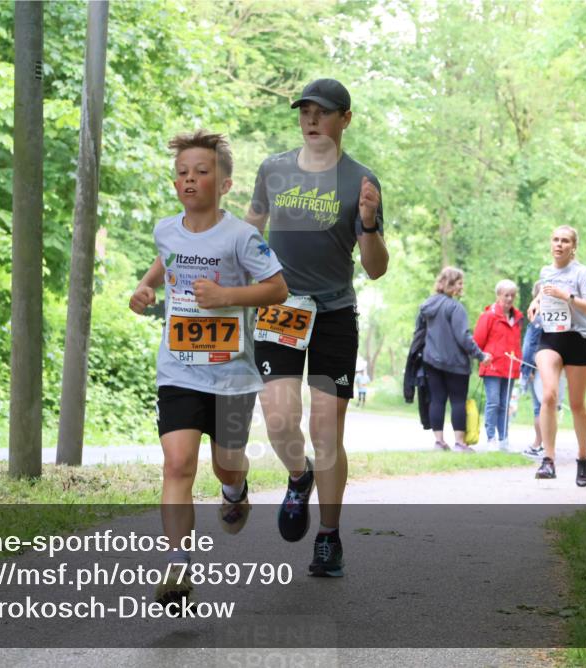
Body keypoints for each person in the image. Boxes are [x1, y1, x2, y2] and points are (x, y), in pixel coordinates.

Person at [129, 130, 288, 605]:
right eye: (182, 173)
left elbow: (277, 288)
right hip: (178, 368)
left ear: (224, 183)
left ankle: (236, 489)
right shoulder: (165, 228)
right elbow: (167, 258)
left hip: (232, 373)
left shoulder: (242, 236)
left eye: (201, 172)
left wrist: (227, 297)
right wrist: (145, 287)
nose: (190, 180)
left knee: (224, 464)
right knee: (177, 464)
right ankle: (177, 568)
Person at [245, 78, 389, 577]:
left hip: (332, 315)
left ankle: (328, 537)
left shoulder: (361, 182)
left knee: (327, 429)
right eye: (305, 111)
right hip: (279, 308)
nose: (311, 120)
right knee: (280, 420)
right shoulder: (274, 169)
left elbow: (374, 268)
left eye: (322, 112)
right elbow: (249, 234)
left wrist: (368, 223)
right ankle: (298, 475)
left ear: (345, 119)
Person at [527, 225, 586, 485]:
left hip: (577, 339)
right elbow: (543, 294)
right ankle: (548, 459)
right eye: (556, 240)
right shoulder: (546, 272)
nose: (559, 244)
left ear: (573, 247)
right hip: (550, 338)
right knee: (548, 394)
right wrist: (535, 302)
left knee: (577, 405)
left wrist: (567, 296)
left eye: (565, 241)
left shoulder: (582, 273)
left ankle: (583, 458)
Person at [418, 267, 492, 453]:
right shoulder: (455, 307)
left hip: (431, 360)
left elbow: (420, 333)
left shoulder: (427, 305)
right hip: (456, 364)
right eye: (459, 283)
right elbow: (463, 337)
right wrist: (481, 356)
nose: (461, 287)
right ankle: (460, 443)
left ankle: (439, 442)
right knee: (458, 401)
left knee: (437, 400)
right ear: (450, 284)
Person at [474, 279, 523, 451]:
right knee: (493, 402)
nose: (509, 299)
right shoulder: (488, 316)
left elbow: (517, 344)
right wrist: (484, 357)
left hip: (510, 369)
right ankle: (491, 439)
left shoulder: (517, 318)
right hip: (492, 368)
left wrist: (519, 364)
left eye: (512, 295)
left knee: (505, 405)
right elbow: (477, 342)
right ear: (498, 296)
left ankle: (504, 439)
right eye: (506, 295)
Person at [520, 282, 547, 458]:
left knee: (539, 407)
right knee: (545, 406)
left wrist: (526, 368)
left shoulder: (537, 319)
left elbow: (530, 346)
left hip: (536, 368)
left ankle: (538, 444)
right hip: (547, 367)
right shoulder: (551, 319)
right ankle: (543, 443)